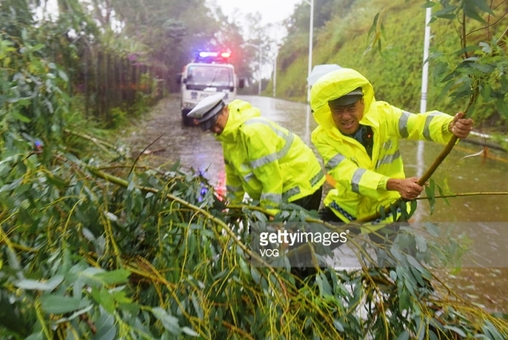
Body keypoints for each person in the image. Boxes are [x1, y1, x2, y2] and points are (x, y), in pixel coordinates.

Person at [309, 67, 473, 224]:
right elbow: (347, 174)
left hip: (388, 207)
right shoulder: (322, 136)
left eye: (351, 108)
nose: (345, 116)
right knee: (308, 245)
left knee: (400, 252)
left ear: (363, 102)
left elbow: (416, 124)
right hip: (346, 207)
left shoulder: (384, 115)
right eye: (338, 110)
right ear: (329, 109)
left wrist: (448, 126)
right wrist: (395, 184)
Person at [187, 93, 325, 215]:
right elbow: (234, 182)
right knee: (261, 236)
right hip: (281, 188)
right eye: (211, 128)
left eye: (217, 123)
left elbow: (271, 178)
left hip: (302, 185)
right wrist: (235, 210)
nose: (216, 130)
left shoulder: (253, 132)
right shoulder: (228, 140)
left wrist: (271, 213)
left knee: (289, 240)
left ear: (225, 110)